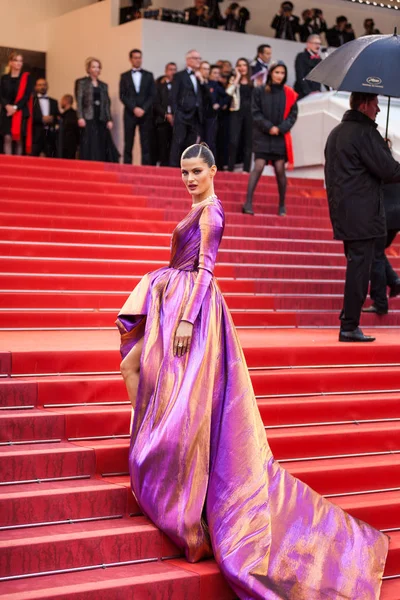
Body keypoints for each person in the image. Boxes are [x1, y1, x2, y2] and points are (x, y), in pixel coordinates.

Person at [116, 141, 389, 600]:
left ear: (215, 170)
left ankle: (178, 479)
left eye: (197, 171)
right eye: (184, 172)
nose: (189, 179)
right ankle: (159, 446)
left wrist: (185, 319)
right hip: (175, 301)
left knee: (180, 394)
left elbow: (206, 270)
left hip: (193, 313)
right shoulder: (198, 207)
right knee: (137, 367)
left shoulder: (213, 213)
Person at [325, 92, 400, 342]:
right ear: (365, 104)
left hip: (344, 211)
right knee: (359, 269)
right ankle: (349, 326)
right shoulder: (365, 133)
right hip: (364, 213)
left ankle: (348, 321)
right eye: (376, 104)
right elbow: (388, 170)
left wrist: (382, 148)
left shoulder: (337, 132)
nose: (378, 110)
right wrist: (385, 151)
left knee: (356, 265)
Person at [243, 61, 298, 217]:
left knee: (280, 169)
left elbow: (293, 115)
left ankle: (282, 205)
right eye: (277, 72)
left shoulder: (289, 93)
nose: (280, 75)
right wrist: (269, 127)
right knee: (258, 166)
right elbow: (255, 112)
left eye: (282, 73)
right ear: (271, 73)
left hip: (279, 137)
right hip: (262, 135)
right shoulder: (260, 91)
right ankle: (248, 203)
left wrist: (280, 128)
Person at [363, 139, 400, 315]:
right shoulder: (394, 166)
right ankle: (394, 281)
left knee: (374, 256)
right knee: (376, 251)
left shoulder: (375, 168)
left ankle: (380, 302)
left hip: (382, 216)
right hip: (396, 218)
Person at [75, 57, 117, 162]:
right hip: (88, 116)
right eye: (93, 67)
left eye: (98, 67)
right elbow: (79, 100)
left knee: (101, 142)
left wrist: (109, 119)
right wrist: (80, 117)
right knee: (89, 141)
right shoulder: (81, 82)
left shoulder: (104, 85)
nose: (96, 69)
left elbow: (107, 103)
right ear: (88, 69)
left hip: (101, 116)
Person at [169, 49, 205, 167]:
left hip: (195, 115)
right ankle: (173, 167)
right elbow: (173, 95)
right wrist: (176, 113)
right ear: (188, 60)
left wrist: (202, 80)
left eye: (199, 58)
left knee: (191, 143)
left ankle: (186, 167)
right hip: (182, 114)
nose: (198, 61)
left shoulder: (199, 76)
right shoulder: (179, 76)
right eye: (196, 58)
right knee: (178, 141)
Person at [120, 49, 155, 165]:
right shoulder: (124, 76)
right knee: (128, 142)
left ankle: (146, 170)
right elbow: (122, 95)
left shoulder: (149, 75)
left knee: (146, 142)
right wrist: (134, 108)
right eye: (135, 57)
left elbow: (152, 95)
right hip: (130, 113)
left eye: (139, 57)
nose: (138, 60)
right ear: (130, 59)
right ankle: (126, 167)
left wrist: (143, 109)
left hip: (145, 114)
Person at [0, 51, 33, 156]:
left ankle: (18, 164)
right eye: (16, 60)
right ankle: (9, 163)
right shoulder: (4, 78)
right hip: (6, 112)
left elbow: (26, 96)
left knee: (18, 139)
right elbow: (1, 95)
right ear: (10, 62)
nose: (19, 63)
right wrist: (7, 106)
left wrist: (15, 107)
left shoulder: (27, 78)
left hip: (20, 111)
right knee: (7, 137)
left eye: (20, 61)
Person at [226, 57, 253, 172]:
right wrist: (237, 77)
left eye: (244, 65)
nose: (242, 68)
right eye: (239, 65)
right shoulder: (233, 79)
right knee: (233, 140)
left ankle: (246, 169)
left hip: (250, 114)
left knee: (248, 141)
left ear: (248, 67)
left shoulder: (254, 80)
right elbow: (228, 92)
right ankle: (230, 167)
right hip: (236, 112)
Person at [153, 62, 177, 166]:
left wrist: (175, 115)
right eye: (171, 69)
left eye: (175, 70)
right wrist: (166, 115)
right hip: (162, 120)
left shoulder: (179, 87)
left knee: (175, 145)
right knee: (162, 145)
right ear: (166, 71)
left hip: (177, 120)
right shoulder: (159, 86)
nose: (173, 72)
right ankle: (163, 166)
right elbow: (156, 103)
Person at [203, 64, 229, 156]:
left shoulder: (219, 86)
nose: (217, 75)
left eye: (218, 73)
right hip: (202, 116)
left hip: (213, 117)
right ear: (209, 74)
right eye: (214, 73)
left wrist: (220, 104)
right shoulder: (205, 84)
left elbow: (226, 97)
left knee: (210, 141)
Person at [31, 78, 60, 158]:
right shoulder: (31, 101)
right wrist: (41, 119)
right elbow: (29, 117)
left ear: (47, 86)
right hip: (36, 134)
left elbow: (58, 117)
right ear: (36, 87)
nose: (42, 87)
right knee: (33, 158)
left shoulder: (54, 102)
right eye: (40, 85)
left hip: (50, 134)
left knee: (51, 158)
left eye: (44, 85)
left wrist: (52, 118)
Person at [294, 34, 323, 99]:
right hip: (303, 94)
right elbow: (300, 76)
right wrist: (309, 92)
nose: (318, 46)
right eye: (315, 43)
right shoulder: (301, 56)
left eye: (319, 44)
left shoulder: (319, 59)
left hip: (316, 94)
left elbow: (323, 77)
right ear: (308, 44)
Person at [58, 94, 79, 159]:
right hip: (69, 143)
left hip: (68, 144)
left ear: (66, 101)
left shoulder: (72, 115)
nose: (60, 103)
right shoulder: (74, 114)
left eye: (62, 100)